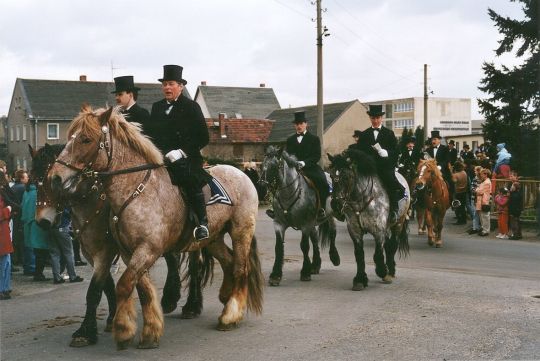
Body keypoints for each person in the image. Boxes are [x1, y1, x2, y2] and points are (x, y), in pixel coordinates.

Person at [148, 65, 210, 241]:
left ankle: (202, 223)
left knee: (189, 179)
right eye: (165, 84)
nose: (167, 87)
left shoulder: (191, 107)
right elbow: (151, 136)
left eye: (171, 84)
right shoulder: (157, 107)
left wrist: (182, 152)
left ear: (181, 86)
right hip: (161, 158)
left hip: (187, 159)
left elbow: (203, 137)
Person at [267, 111, 329, 220]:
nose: (299, 126)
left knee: (322, 182)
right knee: (277, 181)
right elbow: (288, 154)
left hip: (310, 168)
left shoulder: (314, 139)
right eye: (297, 124)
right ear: (294, 125)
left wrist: (304, 162)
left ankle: (321, 209)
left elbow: (316, 156)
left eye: (301, 124)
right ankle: (274, 208)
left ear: (306, 124)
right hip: (292, 168)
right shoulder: (290, 140)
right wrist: (292, 162)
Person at [358, 105, 404, 223]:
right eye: (373, 118)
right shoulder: (364, 134)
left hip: (384, 168)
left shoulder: (389, 133)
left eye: (378, 118)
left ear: (381, 118)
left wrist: (387, 152)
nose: (375, 120)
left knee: (391, 183)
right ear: (370, 118)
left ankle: (394, 210)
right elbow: (360, 152)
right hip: (369, 169)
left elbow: (396, 151)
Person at [21, 180, 50, 280]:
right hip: (37, 224)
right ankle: (38, 274)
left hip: (28, 223)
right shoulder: (40, 192)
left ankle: (32, 270)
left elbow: (23, 206)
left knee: (33, 249)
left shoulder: (26, 191)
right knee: (41, 251)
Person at [48, 207, 83, 284]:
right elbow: (70, 213)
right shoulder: (64, 201)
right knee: (68, 253)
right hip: (63, 229)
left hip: (51, 229)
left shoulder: (53, 200)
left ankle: (57, 278)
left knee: (54, 254)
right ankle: (72, 276)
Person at [427, 130, 453, 200]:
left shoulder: (445, 148)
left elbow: (447, 159)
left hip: (442, 170)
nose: (433, 141)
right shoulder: (428, 149)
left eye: (435, 139)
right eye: (432, 139)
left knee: (451, 182)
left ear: (439, 140)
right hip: (431, 171)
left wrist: (440, 166)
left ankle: (453, 200)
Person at [10, 170, 28, 268]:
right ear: (21, 179)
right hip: (21, 216)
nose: (28, 179)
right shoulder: (23, 188)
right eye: (26, 177)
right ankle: (22, 259)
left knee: (15, 238)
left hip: (14, 216)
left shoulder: (12, 187)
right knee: (22, 239)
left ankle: (16, 259)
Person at [0, 185, 14, 300]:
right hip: (1, 234)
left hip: (4, 232)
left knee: (6, 263)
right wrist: (8, 210)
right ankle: (2, 289)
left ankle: (5, 288)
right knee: (3, 264)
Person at [475, 168, 492, 236]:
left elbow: (480, 191)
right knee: (482, 216)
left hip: (484, 201)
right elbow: (478, 190)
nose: (480, 175)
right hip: (481, 200)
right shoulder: (484, 181)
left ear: (485, 174)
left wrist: (477, 190)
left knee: (485, 216)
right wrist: (477, 190)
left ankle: (486, 230)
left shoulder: (487, 182)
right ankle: (483, 229)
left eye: (482, 174)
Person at [508, 172, 523, 240]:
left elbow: (517, 198)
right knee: (516, 220)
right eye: (510, 176)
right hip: (515, 207)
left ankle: (516, 234)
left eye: (511, 176)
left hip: (515, 207)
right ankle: (518, 234)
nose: (510, 177)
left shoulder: (518, 185)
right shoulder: (510, 184)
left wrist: (510, 192)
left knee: (515, 221)